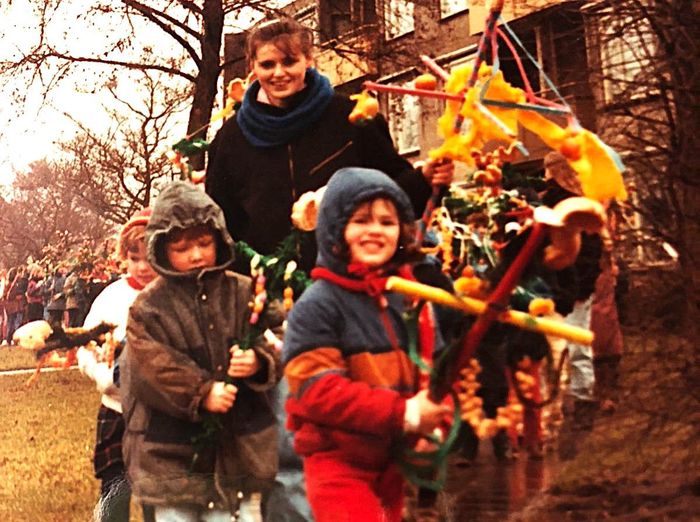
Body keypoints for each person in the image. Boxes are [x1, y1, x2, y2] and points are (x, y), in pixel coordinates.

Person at [205, 17, 453, 273]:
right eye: (267, 64)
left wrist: (425, 180)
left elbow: (393, 194)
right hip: (267, 289)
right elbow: (221, 225)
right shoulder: (230, 139)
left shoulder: (352, 119)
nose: (279, 73)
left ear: (309, 60)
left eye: (289, 61)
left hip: (352, 281)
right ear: (252, 67)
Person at [282, 167, 452, 522]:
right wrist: (405, 414)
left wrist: (435, 424)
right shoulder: (318, 305)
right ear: (335, 229)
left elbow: (434, 371)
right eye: (360, 220)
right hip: (338, 462)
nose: (375, 230)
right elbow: (318, 391)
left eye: (387, 222)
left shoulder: (411, 299)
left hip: (393, 459)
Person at [121, 181, 282, 522]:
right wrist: (201, 391)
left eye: (204, 243)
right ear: (161, 249)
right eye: (181, 248)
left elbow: (282, 334)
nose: (196, 255)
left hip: (240, 448)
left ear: (219, 239)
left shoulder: (244, 292)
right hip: (171, 453)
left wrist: (259, 359)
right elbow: (153, 368)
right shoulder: (148, 308)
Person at [76, 208, 158, 522]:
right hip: (116, 409)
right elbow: (84, 346)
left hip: (158, 414)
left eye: (149, 257)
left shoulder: (172, 295)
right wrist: (101, 375)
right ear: (123, 257)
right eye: (134, 258)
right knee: (114, 488)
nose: (142, 267)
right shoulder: (111, 297)